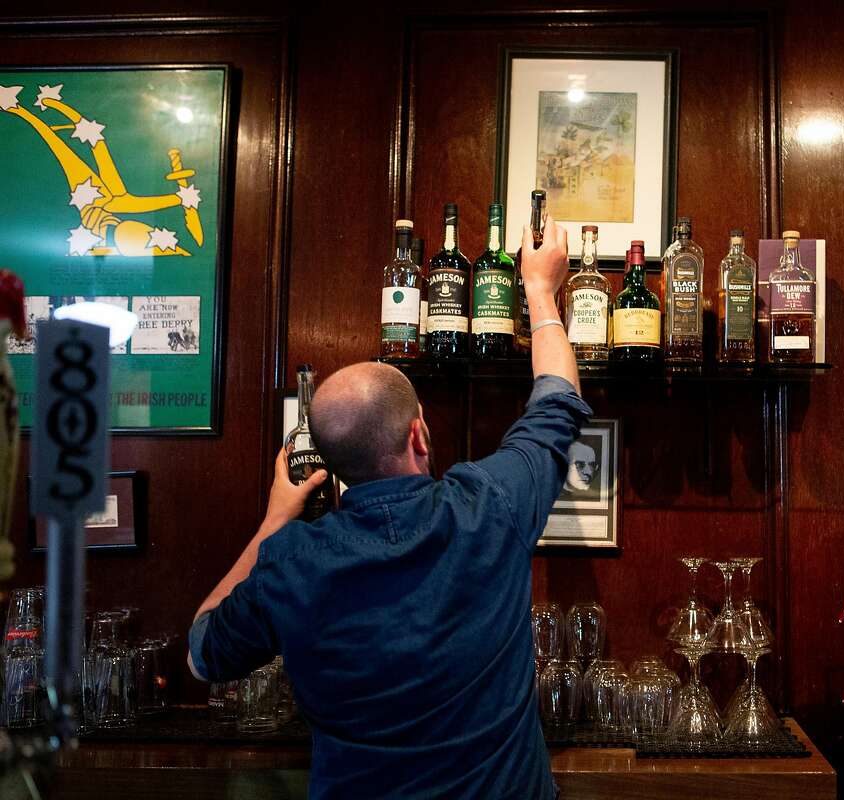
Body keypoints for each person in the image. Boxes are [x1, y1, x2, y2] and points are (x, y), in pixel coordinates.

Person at [187, 215, 590, 800]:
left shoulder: (292, 561)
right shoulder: (486, 506)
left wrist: (276, 519)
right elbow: (557, 403)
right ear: (419, 436)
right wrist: (539, 291)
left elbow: (202, 653)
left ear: (328, 462)